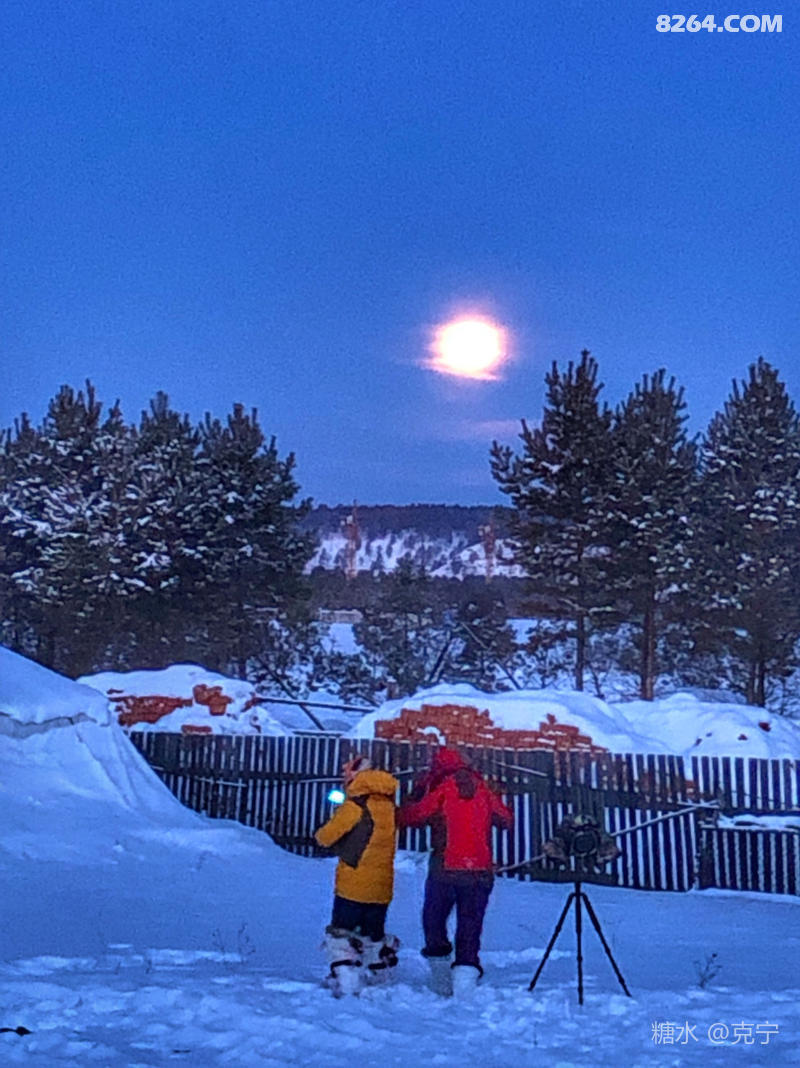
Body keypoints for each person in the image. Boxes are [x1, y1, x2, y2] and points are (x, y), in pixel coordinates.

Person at [398, 747, 512, 995]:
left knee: (434, 919)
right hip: (479, 871)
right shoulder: (483, 789)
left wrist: (413, 796)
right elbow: (506, 819)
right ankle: (465, 980)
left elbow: (413, 816)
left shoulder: (442, 788)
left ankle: (441, 977)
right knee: (470, 924)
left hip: (445, 869)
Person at [314, 755, 400, 995]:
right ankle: (379, 976)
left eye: (347, 772)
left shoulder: (355, 806)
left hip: (353, 884)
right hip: (382, 887)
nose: (344, 776)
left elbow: (325, 837)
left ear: (356, 775)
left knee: (342, 935)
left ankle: (346, 979)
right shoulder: (389, 806)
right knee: (373, 935)